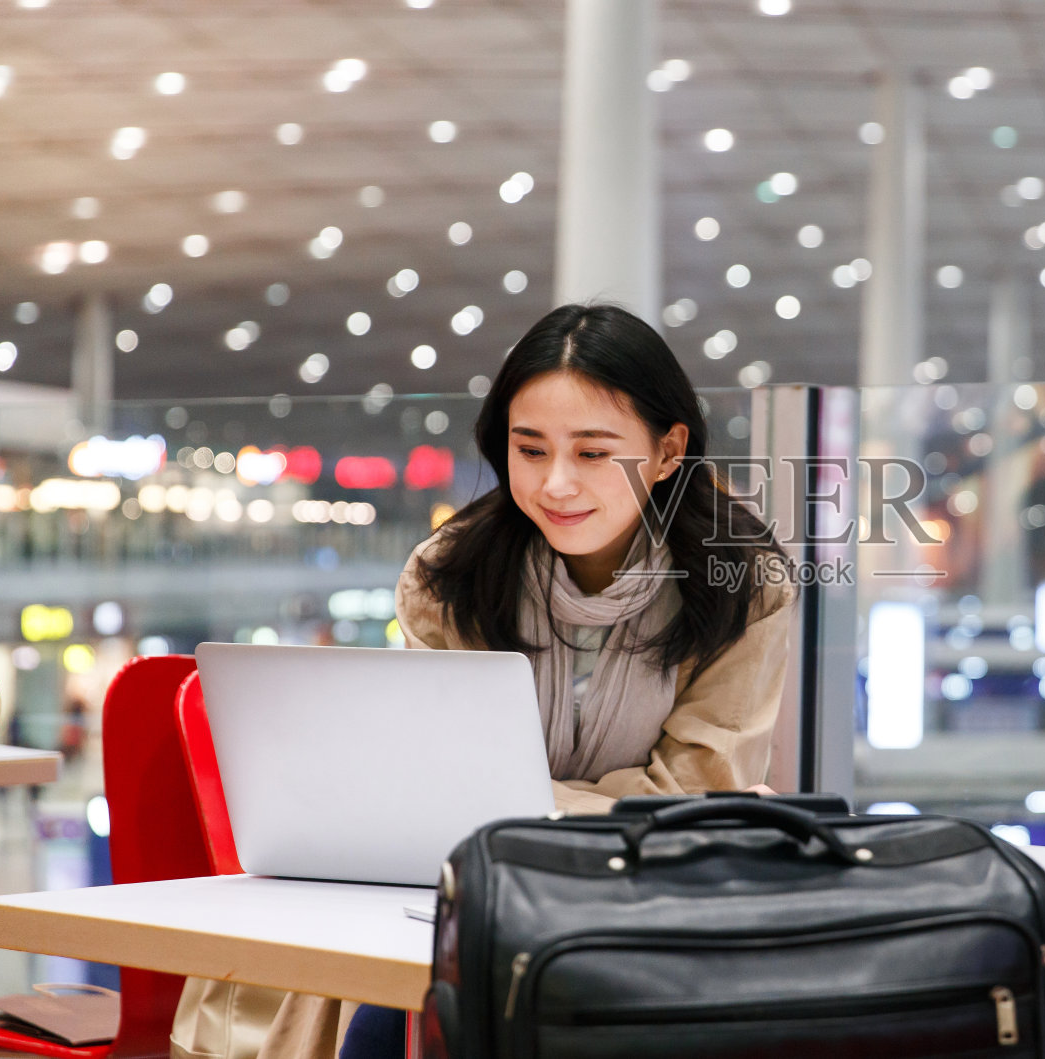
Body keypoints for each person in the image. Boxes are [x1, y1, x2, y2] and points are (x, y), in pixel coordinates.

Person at [255, 303, 794, 1059]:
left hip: (658, 912)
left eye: (595, 452)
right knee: (385, 1028)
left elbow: (697, 797)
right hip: (476, 911)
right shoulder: (448, 577)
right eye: (530, 449)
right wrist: (583, 806)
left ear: (669, 449)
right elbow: (438, 791)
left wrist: (512, 809)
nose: (556, 484)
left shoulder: (742, 581)